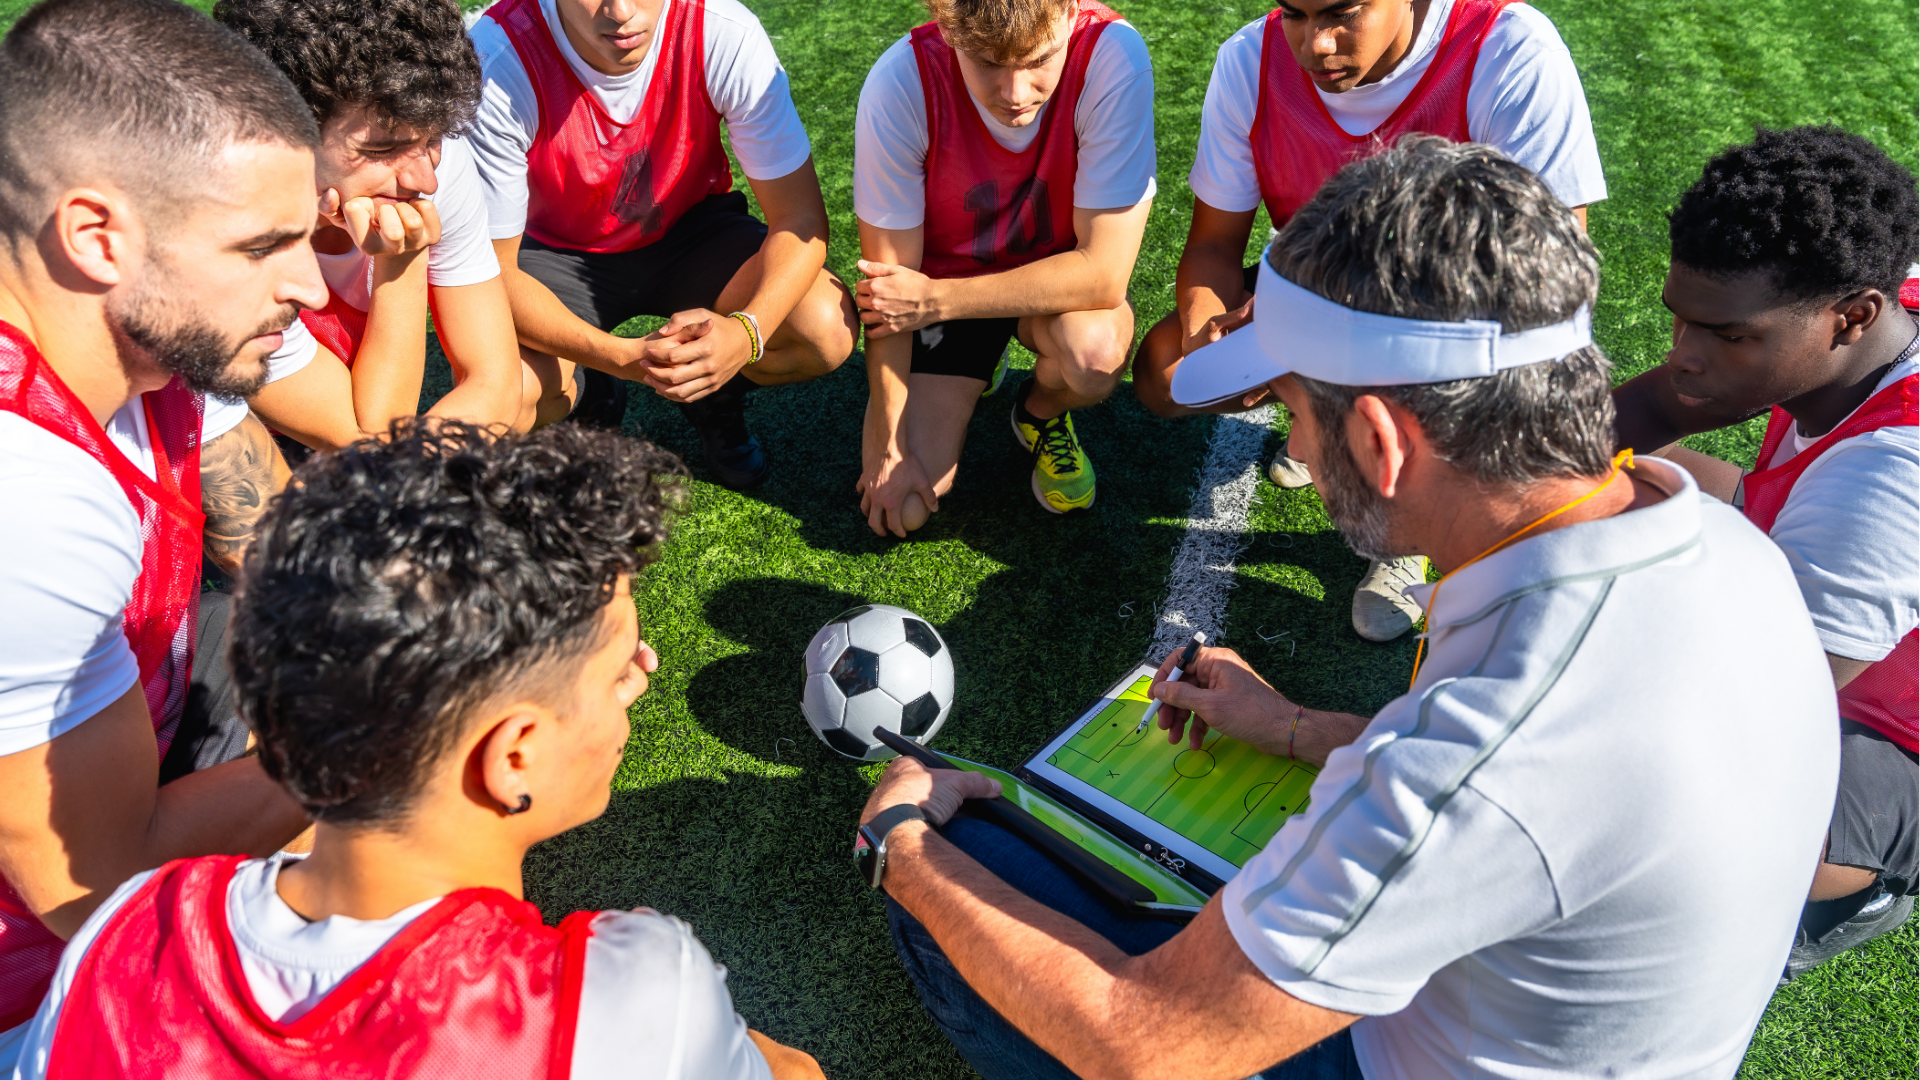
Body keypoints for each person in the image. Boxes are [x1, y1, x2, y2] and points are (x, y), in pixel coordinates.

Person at [858, 138, 1839, 1080]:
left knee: (960, 856)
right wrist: (1294, 727)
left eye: (1294, 412)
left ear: (1379, 441)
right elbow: (1555, 800)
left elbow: (1144, 1047)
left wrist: (900, 848)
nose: (1295, 445)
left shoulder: (1488, 749)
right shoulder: (1728, 544)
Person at [11, 421, 826, 1080]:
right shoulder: (625, 1000)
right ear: (514, 757)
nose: (637, 684)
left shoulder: (132, 928)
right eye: (618, 673)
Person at [0, 0, 322, 1064]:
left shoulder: (153, 342)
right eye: (262, 246)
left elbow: (283, 555)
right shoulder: (29, 503)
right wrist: (412, 716)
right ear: (97, 237)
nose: (308, 285)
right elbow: (91, 889)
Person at [1135, 0, 1606, 642]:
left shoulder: (1510, 48)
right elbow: (1214, 245)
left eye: (1342, 13)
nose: (1315, 45)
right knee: (1171, 375)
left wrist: (1335, 339)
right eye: (1294, 14)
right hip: (1312, 293)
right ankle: (1322, 424)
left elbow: (1544, 289)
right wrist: (1211, 340)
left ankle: (1407, 524)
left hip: (1450, 320)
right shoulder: (1250, 58)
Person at [1611, 126, 1920, 979]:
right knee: (1594, 480)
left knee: (1682, 839)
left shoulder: (1889, 483)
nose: (1684, 355)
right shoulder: (1874, 300)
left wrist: (1331, 736)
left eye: (1728, 336)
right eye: (1681, 319)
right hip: (1823, 583)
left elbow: (1745, 721)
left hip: (1884, 729)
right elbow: (1639, 417)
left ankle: (1848, 888)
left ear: (1853, 318)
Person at [467, 0, 856, 488]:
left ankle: (713, 391)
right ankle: (593, 399)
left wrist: (745, 334)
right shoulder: (497, 58)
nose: (621, 11)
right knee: (512, 388)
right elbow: (490, 273)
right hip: (553, 252)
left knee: (824, 327)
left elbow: (799, 220)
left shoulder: (720, 28)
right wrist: (616, 359)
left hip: (691, 232)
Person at [851, 0, 1154, 533]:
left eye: (1039, 59)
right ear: (948, 27)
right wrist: (885, 444)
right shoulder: (902, 80)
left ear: (1070, 13)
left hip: (1040, 292)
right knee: (906, 508)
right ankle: (980, 360)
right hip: (939, 289)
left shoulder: (1112, 55)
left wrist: (934, 302)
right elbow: (889, 293)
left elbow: (1103, 275)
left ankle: (1038, 412)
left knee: (1095, 353)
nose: (1015, 93)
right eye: (988, 62)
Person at [215, 0, 539, 453]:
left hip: (356, 426)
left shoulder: (425, 157)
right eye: (381, 150)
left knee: (526, 394)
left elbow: (495, 381)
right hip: (227, 437)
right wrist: (403, 262)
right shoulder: (221, 228)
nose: (424, 181)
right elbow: (364, 437)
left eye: (433, 139)